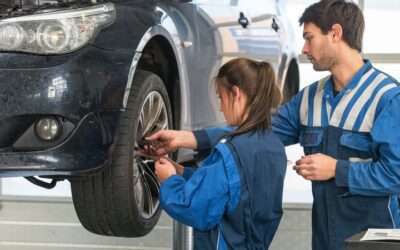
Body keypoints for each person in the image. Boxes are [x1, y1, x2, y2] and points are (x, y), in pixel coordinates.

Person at [146, 1, 400, 249]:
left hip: (373, 238)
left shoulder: (386, 97)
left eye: (309, 37)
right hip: (324, 236)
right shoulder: (309, 99)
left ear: (335, 33)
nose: (303, 49)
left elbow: (395, 175)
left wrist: (336, 169)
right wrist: (188, 139)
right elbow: (255, 132)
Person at [147, 58, 287, 249]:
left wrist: (170, 180)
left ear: (236, 93)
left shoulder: (231, 150)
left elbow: (195, 209)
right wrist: (180, 171)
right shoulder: (274, 146)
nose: (220, 107)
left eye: (221, 97)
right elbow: (234, 188)